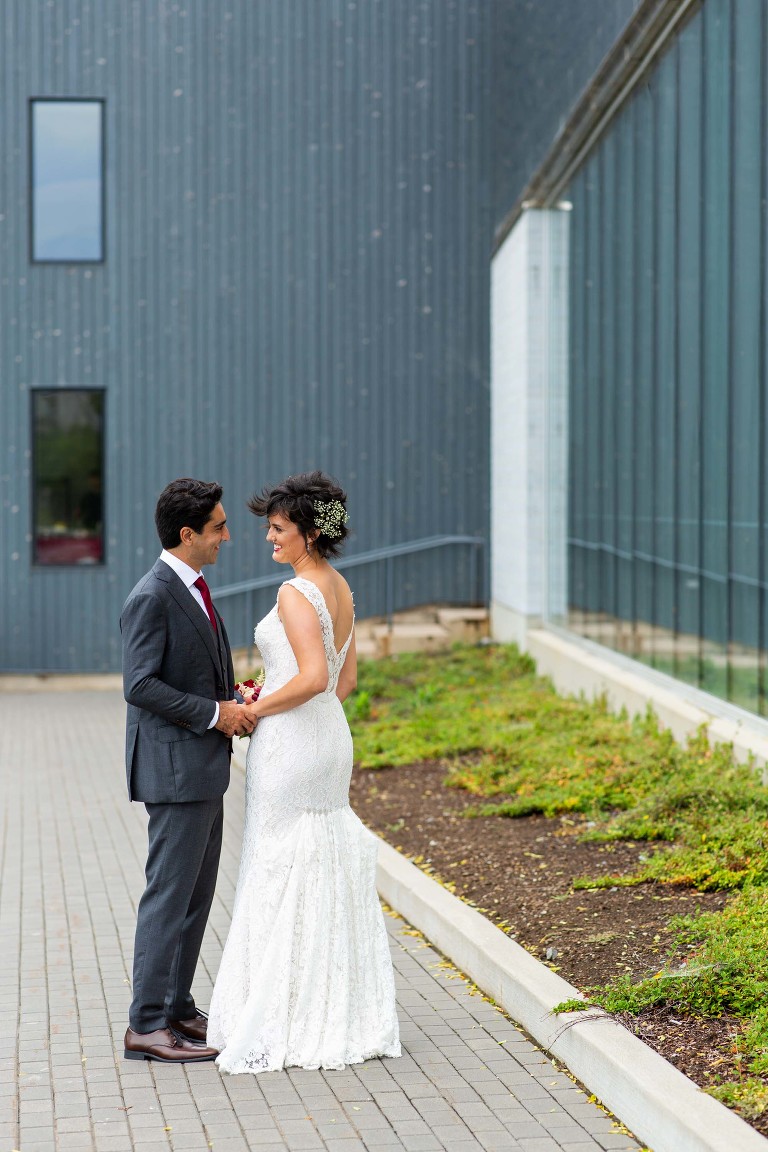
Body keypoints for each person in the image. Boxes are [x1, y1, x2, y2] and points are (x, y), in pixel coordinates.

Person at [207, 471, 400, 1073]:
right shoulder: (339, 586)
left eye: (278, 528)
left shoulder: (296, 593)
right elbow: (346, 683)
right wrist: (298, 711)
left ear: (309, 534)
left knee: (280, 863)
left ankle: (283, 1012)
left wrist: (255, 708)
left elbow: (315, 677)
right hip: (326, 738)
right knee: (317, 860)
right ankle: (331, 1003)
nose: (268, 537)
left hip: (292, 742)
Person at [120, 478, 255, 1063]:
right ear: (188, 534)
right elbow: (140, 685)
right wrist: (215, 713)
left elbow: (197, 670)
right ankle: (146, 1025)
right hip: (175, 774)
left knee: (196, 898)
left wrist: (236, 700)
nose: (227, 535)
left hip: (202, 770)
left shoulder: (195, 587)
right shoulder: (151, 595)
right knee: (168, 897)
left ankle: (175, 1007)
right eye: (219, 527)